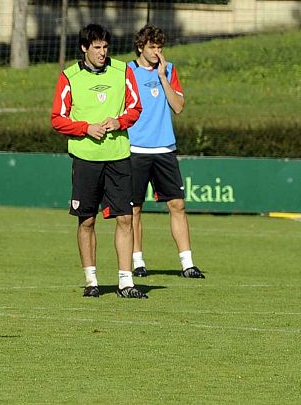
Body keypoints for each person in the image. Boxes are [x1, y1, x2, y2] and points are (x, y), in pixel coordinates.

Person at [51, 23, 146, 298]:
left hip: (118, 156)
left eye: (105, 47)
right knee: (87, 220)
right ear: (84, 48)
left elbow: (135, 107)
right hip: (86, 158)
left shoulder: (123, 71)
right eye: (96, 47)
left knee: (125, 218)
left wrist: (119, 121)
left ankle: (126, 281)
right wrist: (85, 128)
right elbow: (57, 118)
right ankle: (91, 280)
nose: (102, 52)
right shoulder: (69, 76)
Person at [126, 25, 203, 279]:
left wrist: (162, 77)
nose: (157, 52)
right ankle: (137, 261)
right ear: (141, 47)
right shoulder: (127, 71)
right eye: (152, 47)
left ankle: (187, 263)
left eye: (160, 47)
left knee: (177, 204)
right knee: (135, 208)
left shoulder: (169, 70)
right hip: (135, 149)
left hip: (164, 149)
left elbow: (178, 107)